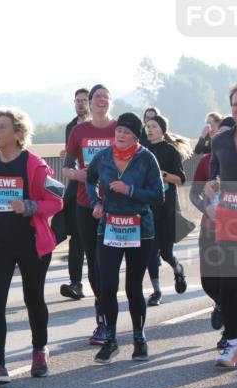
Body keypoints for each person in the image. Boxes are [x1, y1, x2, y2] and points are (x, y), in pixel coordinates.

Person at [0, 108, 63, 384]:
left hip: (31, 242)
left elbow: (57, 201)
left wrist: (29, 206)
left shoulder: (34, 165)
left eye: (2, 127)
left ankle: (39, 350)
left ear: (18, 133)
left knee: (33, 298)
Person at [85, 112, 165, 363]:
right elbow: (89, 180)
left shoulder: (146, 159)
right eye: (118, 130)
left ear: (135, 137)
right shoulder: (104, 156)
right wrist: (96, 203)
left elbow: (158, 195)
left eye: (127, 132)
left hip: (140, 229)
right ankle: (110, 339)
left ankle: (139, 339)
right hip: (109, 227)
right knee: (106, 285)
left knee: (133, 288)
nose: (120, 135)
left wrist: (130, 190)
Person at [64, 84, 117, 345]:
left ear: (110, 102)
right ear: (91, 102)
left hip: (117, 206)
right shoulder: (79, 131)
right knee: (94, 261)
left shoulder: (119, 129)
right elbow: (66, 167)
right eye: (97, 97)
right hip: (85, 204)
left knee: (109, 263)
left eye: (106, 97)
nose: (101, 101)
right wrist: (78, 174)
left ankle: (112, 317)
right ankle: (103, 320)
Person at [207, 83, 237, 367]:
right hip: (231, 218)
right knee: (228, 283)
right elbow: (213, 173)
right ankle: (232, 344)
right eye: (235, 104)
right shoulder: (220, 141)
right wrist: (212, 184)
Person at [193, 115, 237, 345]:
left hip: (235, 229)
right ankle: (221, 304)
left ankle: (229, 335)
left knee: (229, 282)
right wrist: (207, 206)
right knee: (209, 282)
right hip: (209, 227)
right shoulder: (205, 162)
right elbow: (194, 194)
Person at [143, 114, 189, 306]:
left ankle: (178, 268)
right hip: (148, 209)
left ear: (162, 129)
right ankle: (156, 291)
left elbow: (181, 179)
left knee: (166, 253)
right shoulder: (142, 151)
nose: (150, 129)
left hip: (167, 208)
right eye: (148, 126)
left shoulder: (170, 151)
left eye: (154, 126)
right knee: (150, 251)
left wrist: (163, 175)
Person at [58, 88, 91, 300]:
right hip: (75, 188)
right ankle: (76, 283)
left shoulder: (101, 127)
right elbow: (70, 157)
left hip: (99, 189)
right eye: (77, 101)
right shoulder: (71, 126)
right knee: (74, 237)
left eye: (84, 100)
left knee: (94, 240)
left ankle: (101, 280)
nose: (80, 104)